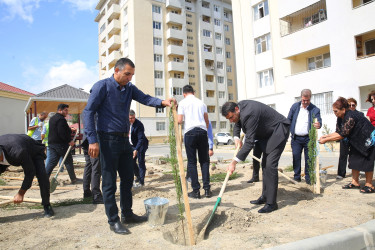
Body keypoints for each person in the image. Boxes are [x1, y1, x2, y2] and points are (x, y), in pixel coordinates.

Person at [83, 57, 174, 235]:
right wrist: (92, 140)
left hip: (125, 141)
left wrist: (163, 102)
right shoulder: (102, 86)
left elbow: (145, 98)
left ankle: (127, 214)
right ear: (116, 71)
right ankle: (113, 220)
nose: (129, 78)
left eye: (132, 75)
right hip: (106, 140)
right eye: (127, 74)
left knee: (127, 179)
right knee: (109, 183)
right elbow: (88, 112)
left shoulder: (129, 89)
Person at [222, 101, 290, 213]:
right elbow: (237, 123)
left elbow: (249, 142)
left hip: (279, 129)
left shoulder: (249, 113)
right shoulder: (239, 108)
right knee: (264, 164)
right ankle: (265, 196)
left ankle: (271, 203)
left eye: (231, 117)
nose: (231, 120)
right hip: (269, 133)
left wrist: (234, 162)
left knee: (270, 165)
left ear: (236, 109)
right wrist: (236, 138)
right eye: (228, 119)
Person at [319, 97, 375, 193]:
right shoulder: (340, 118)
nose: (334, 113)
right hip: (356, 140)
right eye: (333, 111)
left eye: (336, 111)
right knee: (353, 159)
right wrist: (326, 136)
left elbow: (342, 135)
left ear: (343, 110)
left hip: (368, 139)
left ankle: (369, 185)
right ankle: (355, 182)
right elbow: (338, 131)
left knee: (367, 161)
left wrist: (326, 140)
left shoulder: (350, 116)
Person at [0, 134, 54, 217]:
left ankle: (47, 205)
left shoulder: (18, 152)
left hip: (33, 151)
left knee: (42, 176)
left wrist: (21, 193)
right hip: (14, 147)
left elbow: (30, 172)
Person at [178, 85, 210, 199]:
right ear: (193, 92)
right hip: (202, 132)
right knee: (204, 161)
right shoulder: (201, 103)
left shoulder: (182, 103)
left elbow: (179, 120)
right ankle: (207, 190)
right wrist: (204, 130)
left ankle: (196, 191)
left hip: (190, 132)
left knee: (192, 162)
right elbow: (207, 120)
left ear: (184, 94)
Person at [287, 89, 322, 184]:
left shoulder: (315, 109)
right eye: (303, 100)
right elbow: (288, 120)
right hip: (296, 138)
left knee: (309, 158)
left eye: (307, 100)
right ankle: (297, 176)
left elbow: (319, 121)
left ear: (310, 98)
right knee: (296, 156)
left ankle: (308, 177)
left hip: (308, 139)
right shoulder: (295, 107)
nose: (305, 102)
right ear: (301, 98)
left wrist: (318, 124)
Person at [45, 104, 80, 184]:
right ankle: (73, 179)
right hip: (61, 144)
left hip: (52, 144)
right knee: (68, 161)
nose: (67, 112)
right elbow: (61, 133)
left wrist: (69, 129)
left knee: (52, 162)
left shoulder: (53, 118)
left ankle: (44, 178)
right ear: (60, 110)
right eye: (65, 110)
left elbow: (59, 129)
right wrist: (69, 141)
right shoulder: (61, 119)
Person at [337, 98, 363, 179]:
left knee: (355, 156)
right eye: (350, 105)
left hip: (355, 139)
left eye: (353, 105)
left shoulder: (360, 114)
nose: (351, 106)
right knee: (343, 156)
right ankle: (341, 173)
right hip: (344, 138)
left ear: (356, 106)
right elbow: (338, 127)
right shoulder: (341, 115)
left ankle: (356, 174)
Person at [81, 135, 103, 204]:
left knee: (89, 165)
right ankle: (96, 195)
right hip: (93, 140)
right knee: (96, 167)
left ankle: (87, 192)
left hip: (87, 139)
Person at [129, 109, 149, 187]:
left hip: (141, 145)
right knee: (132, 161)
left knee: (140, 162)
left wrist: (136, 149)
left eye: (133, 118)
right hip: (132, 145)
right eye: (130, 118)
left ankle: (141, 181)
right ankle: (137, 175)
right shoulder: (126, 123)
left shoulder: (139, 125)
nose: (132, 120)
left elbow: (140, 139)